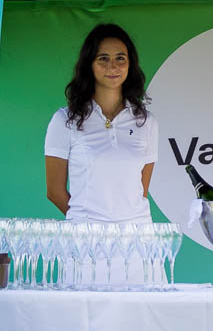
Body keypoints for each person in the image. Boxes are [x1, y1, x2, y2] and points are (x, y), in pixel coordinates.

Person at [45, 23, 157, 228]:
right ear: (89, 64)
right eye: (103, 58)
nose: (112, 66)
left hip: (139, 237)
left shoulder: (146, 121)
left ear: (130, 64)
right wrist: (87, 225)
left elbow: (141, 190)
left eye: (120, 58)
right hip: (86, 238)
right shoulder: (64, 120)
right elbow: (54, 191)